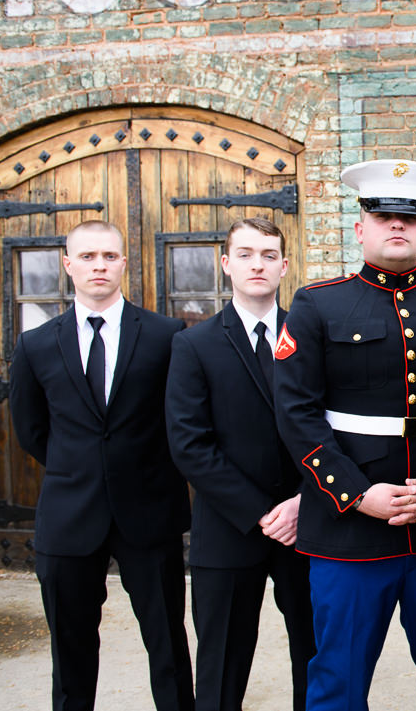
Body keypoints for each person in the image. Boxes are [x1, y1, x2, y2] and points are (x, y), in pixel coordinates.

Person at [273, 159, 416, 711]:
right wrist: (358, 495)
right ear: (360, 226)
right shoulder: (318, 303)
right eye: (383, 215)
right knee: (339, 675)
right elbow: (297, 413)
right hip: (349, 532)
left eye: (408, 218)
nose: (396, 226)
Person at [8, 219, 193, 711]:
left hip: (148, 514)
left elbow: (178, 422)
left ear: (124, 264)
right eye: (87, 256)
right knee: (70, 653)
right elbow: (32, 430)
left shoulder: (165, 334)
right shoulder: (36, 344)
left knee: (168, 645)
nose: (99, 266)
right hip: (69, 516)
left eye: (109, 256)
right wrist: (82, 468)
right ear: (68, 264)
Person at [166, 217, 315, 711]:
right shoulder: (194, 345)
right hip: (229, 528)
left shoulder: (312, 336)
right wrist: (260, 511)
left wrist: (301, 500)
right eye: (246, 254)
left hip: (307, 524)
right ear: (226, 264)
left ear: (284, 266)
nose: (258, 264)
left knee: (315, 657)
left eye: (269, 255)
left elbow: (329, 428)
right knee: (222, 665)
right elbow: (190, 444)